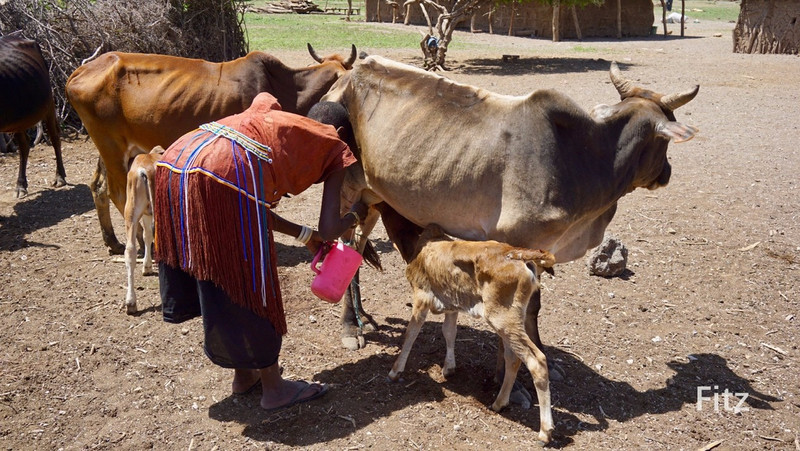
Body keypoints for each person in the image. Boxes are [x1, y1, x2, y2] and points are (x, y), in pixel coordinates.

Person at [153, 92, 368, 411]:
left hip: (175, 160)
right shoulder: (333, 144)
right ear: (339, 135)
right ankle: (274, 387)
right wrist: (356, 213)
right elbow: (328, 229)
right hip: (221, 173)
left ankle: (244, 375)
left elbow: (254, 207)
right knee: (252, 276)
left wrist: (303, 235)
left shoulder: (276, 126)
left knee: (226, 271)